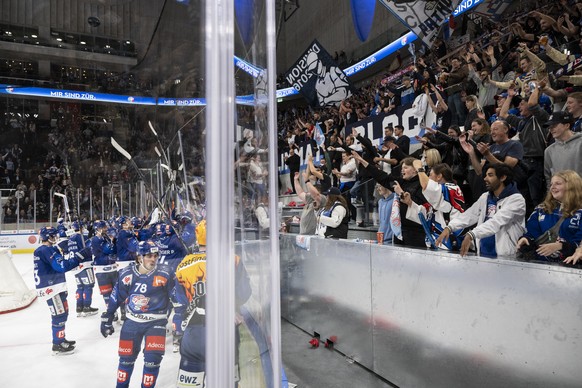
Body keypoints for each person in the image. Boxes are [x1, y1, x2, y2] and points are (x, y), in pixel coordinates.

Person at [174, 221, 252, 388]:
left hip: (193, 334)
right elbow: (244, 293)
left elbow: (180, 301)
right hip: (224, 332)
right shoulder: (233, 260)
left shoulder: (182, 265)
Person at [100, 240, 175, 388]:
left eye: (155, 255)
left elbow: (176, 297)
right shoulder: (126, 274)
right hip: (132, 323)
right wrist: (107, 317)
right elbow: (116, 298)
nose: (153, 259)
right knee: (125, 360)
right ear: (139, 257)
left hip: (156, 323)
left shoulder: (166, 273)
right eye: (148, 256)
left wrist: (179, 317)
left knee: (152, 362)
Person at [436, 163, 526, 257]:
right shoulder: (485, 197)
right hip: (483, 253)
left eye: (490, 175)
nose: (485, 179)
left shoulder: (516, 200)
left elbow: (496, 222)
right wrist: (450, 227)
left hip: (507, 257)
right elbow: (470, 215)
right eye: (486, 175)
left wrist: (472, 234)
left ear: (502, 177)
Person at [34, 226, 92, 354]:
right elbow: (62, 266)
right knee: (59, 315)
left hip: (54, 286)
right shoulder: (46, 250)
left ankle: (61, 339)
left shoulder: (46, 250)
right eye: (53, 235)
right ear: (47, 237)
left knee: (62, 313)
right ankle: (57, 344)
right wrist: (79, 256)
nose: (56, 237)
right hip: (51, 288)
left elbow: (58, 260)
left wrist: (61, 250)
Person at [516, 170, 582, 262]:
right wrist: (525, 239)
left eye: (558, 183)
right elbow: (531, 233)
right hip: (541, 266)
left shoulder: (580, 212)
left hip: (571, 267)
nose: (553, 187)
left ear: (572, 186)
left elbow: (579, 242)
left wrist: (561, 246)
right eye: (551, 184)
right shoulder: (541, 209)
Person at [401, 161, 465, 249]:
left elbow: (426, 185)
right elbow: (426, 214)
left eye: (430, 175)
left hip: (451, 242)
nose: (428, 178)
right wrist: (410, 203)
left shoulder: (451, 189)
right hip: (441, 243)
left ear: (439, 176)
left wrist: (419, 169)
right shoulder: (442, 194)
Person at [68, 220, 99, 317]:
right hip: (85, 265)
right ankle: (86, 307)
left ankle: (79, 307)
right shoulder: (82, 237)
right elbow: (90, 249)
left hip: (75, 266)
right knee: (88, 286)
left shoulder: (71, 238)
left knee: (80, 287)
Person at [543, 111, 582, 187]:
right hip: (560, 196)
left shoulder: (580, 143)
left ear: (567, 125)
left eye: (554, 126)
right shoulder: (549, 151)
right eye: (549, 127)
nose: (551, 129)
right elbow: (548, 177)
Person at [90, 220, 118, 311]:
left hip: (112, 268)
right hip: (101, 270)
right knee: (107, 293)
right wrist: (111, 240)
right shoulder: (95, 239)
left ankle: (123, 312)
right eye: (104, 227)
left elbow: (114, 250)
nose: (106, 229)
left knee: (118, 291)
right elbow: (107, 250)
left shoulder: (105, 238)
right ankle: (111, 312)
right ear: (98, 229)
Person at [293, 169, 327, 235]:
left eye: (311, 191)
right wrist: (296, 180)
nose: (309, 192)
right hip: (303, 234)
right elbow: (300, 193)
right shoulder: (309, 200)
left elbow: (316, 195)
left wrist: (307, 181)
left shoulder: (322, 199)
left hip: (313, 235)